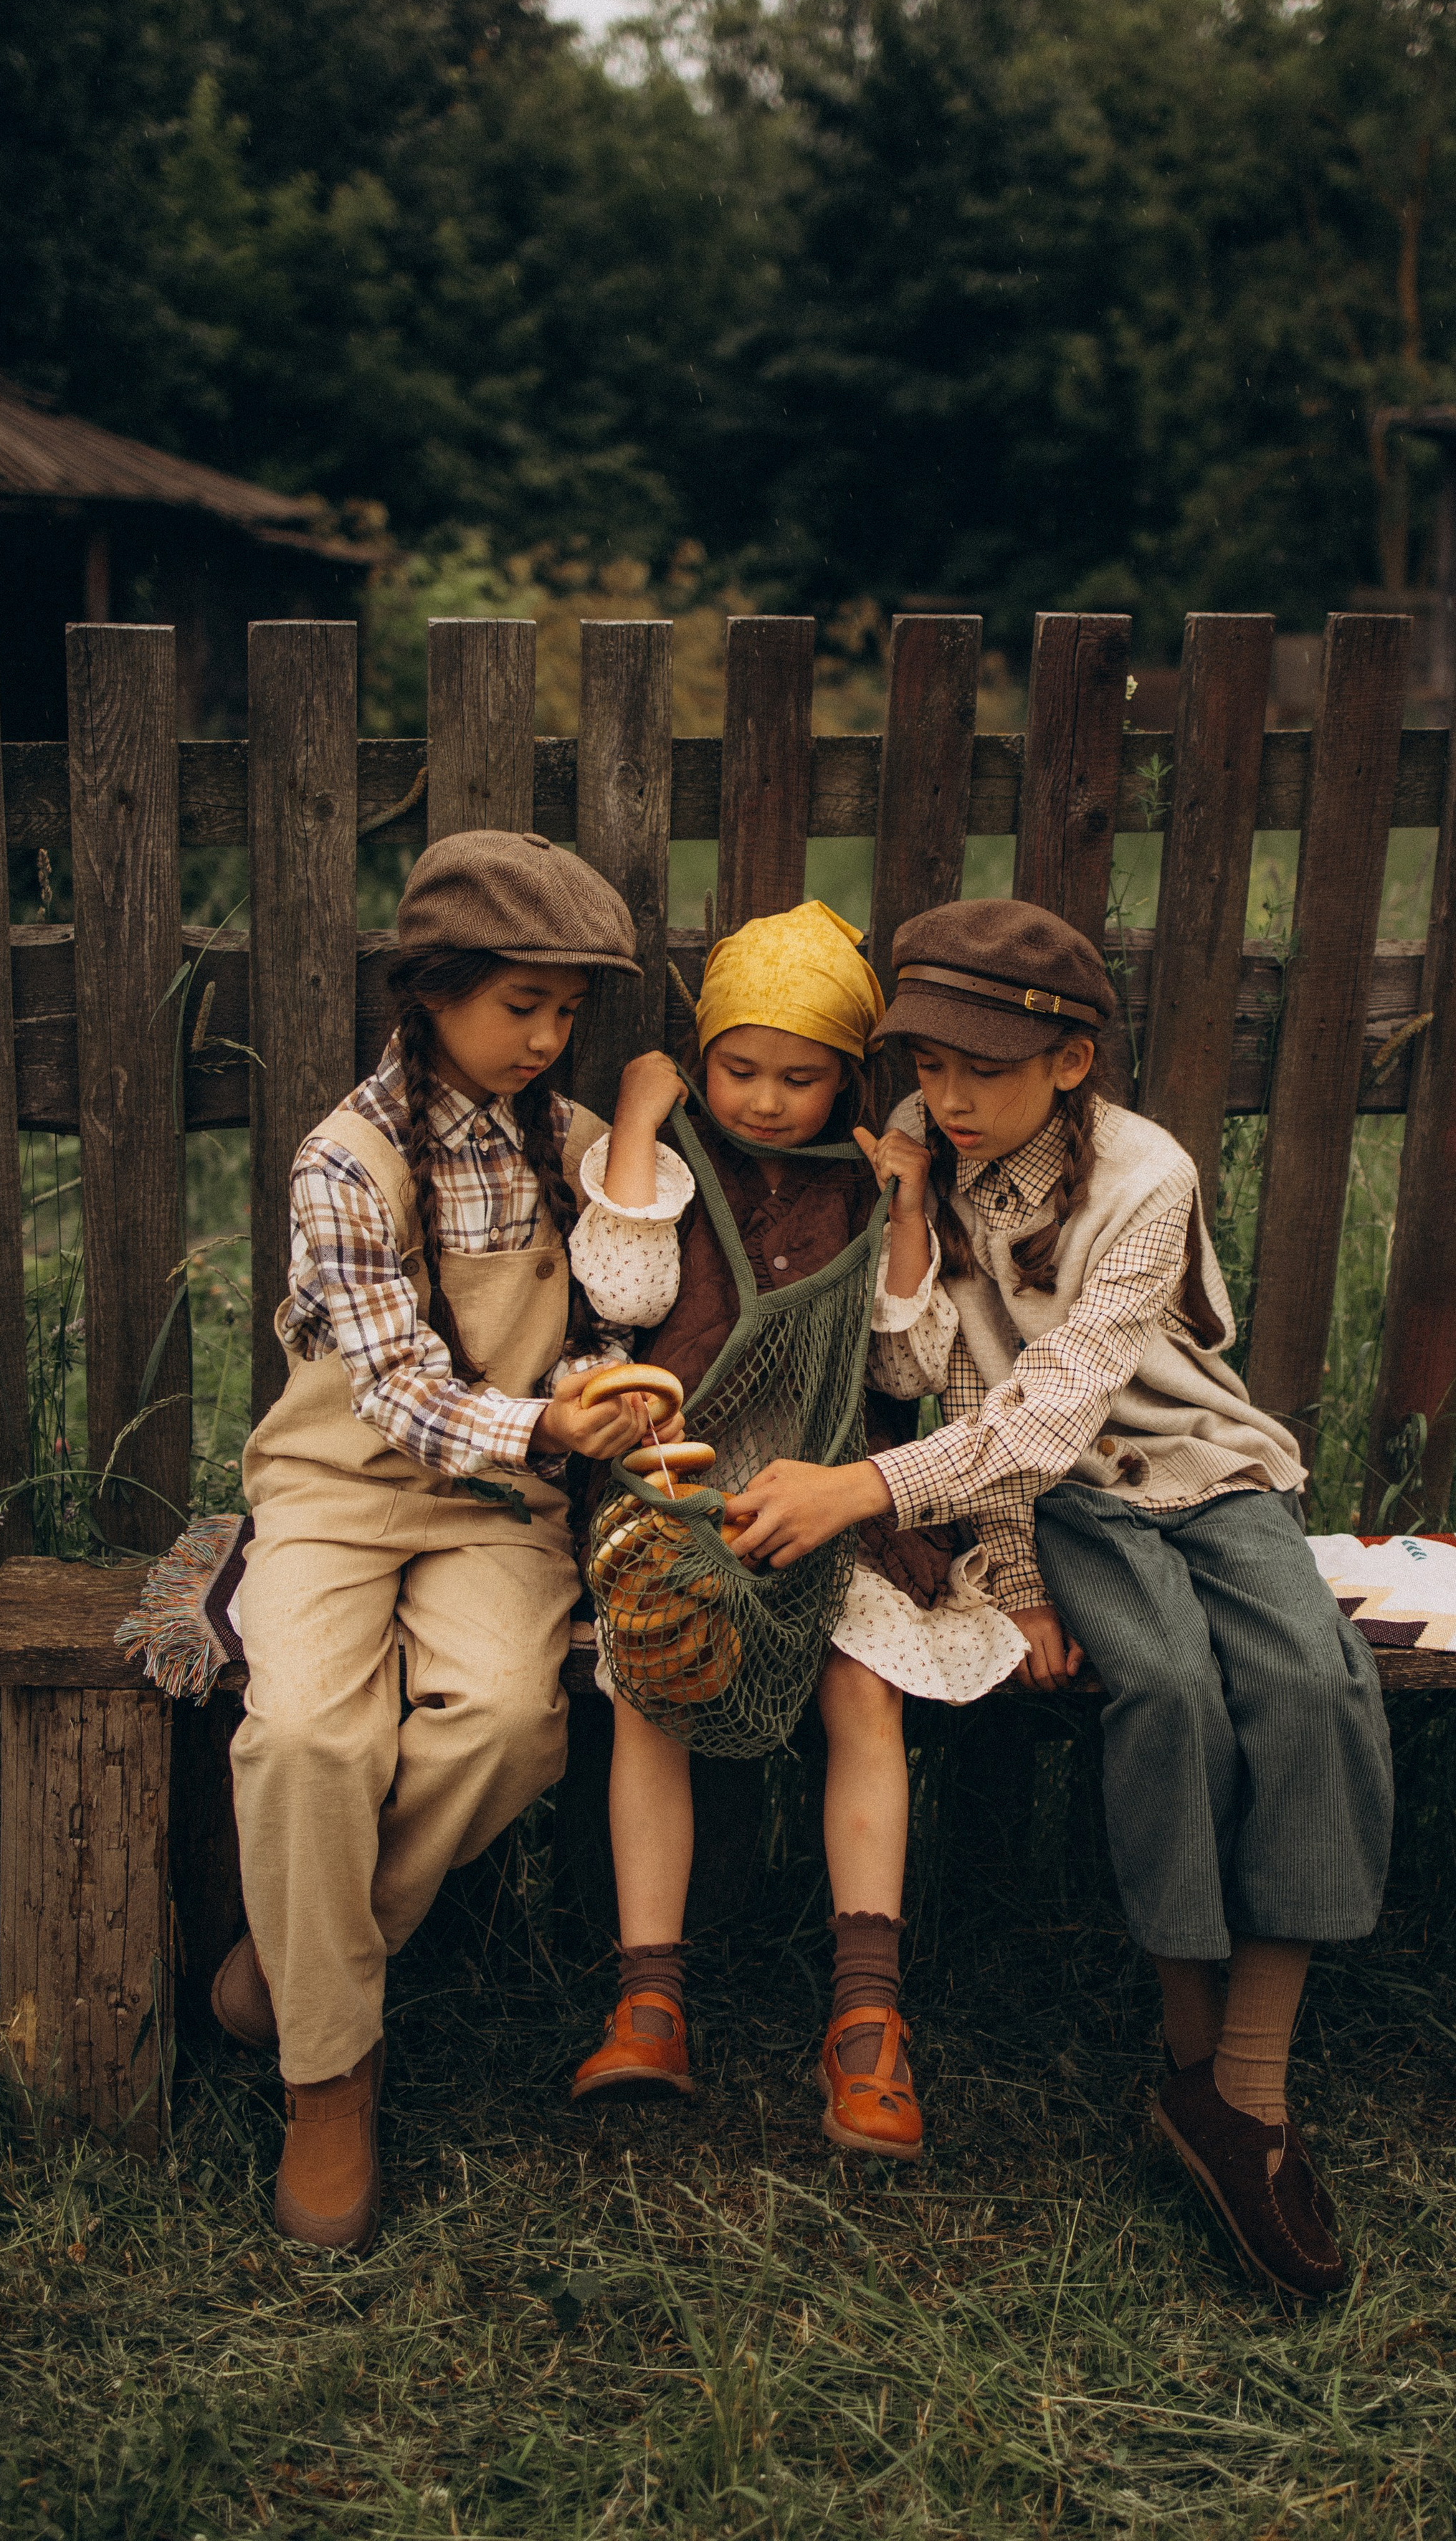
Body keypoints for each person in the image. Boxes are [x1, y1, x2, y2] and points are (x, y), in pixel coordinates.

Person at [725, 898, 1394, 2297]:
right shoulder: (928, 1146)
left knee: (1311, 1681)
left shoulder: (1145, 1179)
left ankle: (1244, 2097)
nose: (950, 1094)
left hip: (1200, 1466)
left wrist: (855, 1491)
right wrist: (908, 1209)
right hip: (1057, 1499)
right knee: (1161, 1684)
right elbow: (928, 1373)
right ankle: (1184, 2059)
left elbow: (1048, 1400)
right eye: (931, 1060)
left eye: (987, 1066)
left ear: (1072, 1059)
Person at [211, 830, 679, 2252]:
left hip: (498, 1511)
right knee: (304, 1736)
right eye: (516, 1005)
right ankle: (328, 2076)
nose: (544, 1036)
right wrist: (547, 1427)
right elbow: (397, 1386)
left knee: (503, 1726)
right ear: (429, 992)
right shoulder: (343, 1161)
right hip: (338, 1494)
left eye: (564, 1012)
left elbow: (615, 1307)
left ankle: (297, 1972)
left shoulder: (583, 1144)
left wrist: (606, 1385)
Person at [562, 901, 1032, 2160]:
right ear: (702, 1058)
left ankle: (867, 2017)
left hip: (835, 1494)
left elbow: (910, 1357)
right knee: (653, 1681)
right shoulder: (673, 1169)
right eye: (740, 1071)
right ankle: (650, 1993)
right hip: (687, 1485)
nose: (768, 1101)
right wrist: (643, 1119)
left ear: (850, 1077)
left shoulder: (865, 1185)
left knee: (861, 1690)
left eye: (803, 1077)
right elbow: (622, 1291)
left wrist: (911, 1208)